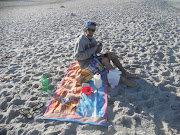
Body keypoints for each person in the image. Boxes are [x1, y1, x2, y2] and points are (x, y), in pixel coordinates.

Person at [74, 21, 138, 87]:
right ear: (85, 29)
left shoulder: (92, 39)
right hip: (86, 64)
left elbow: (95, 52)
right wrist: (92, 49)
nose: (91, 32)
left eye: (93, 30)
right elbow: (77, 56)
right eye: (89, 29)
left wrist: (98, 47)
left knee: (112, 54)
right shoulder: (81, 40)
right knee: (105, 60)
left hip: (93, 59)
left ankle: (125, 73)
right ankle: (123, 79)